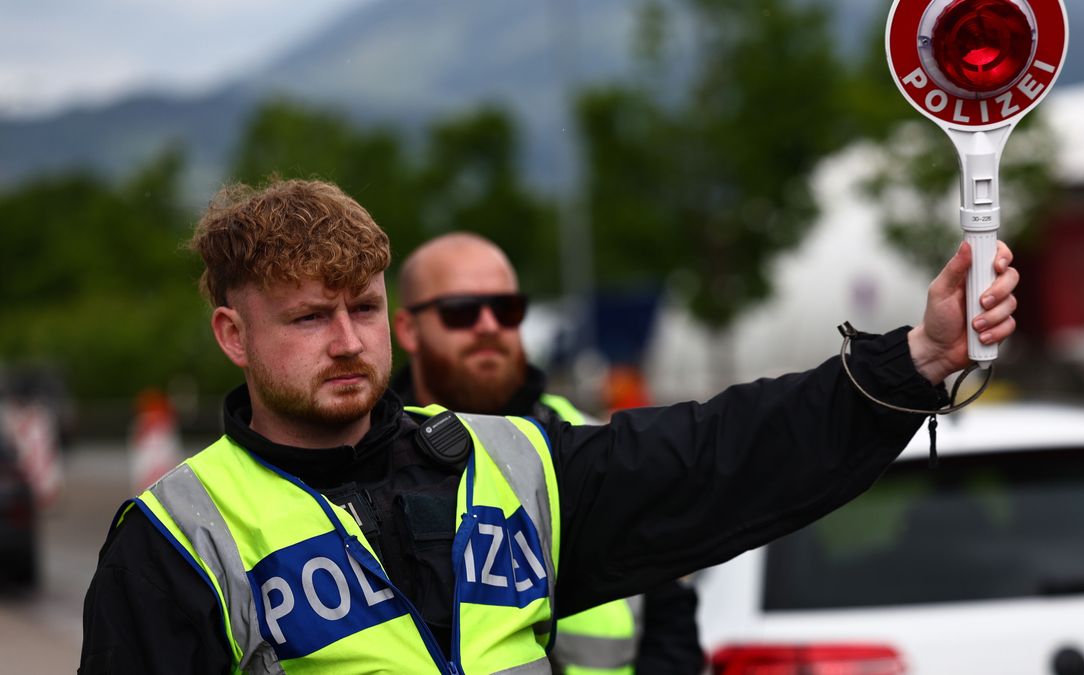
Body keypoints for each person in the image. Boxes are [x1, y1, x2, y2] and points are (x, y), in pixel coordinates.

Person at [79, 178, 1019, 674]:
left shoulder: (512, 461)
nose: (346, 341)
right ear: (232, 335)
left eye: (363, 308)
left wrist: (919, 359)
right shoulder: (180, 535)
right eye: (307, 317)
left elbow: (721, 456)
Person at [391, 232, 703, 674]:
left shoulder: (591, 442)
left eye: (506, 308)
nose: (488, 325)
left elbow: (669, 618)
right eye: (460, 310)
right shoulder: (373, 461)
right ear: (408, 329)